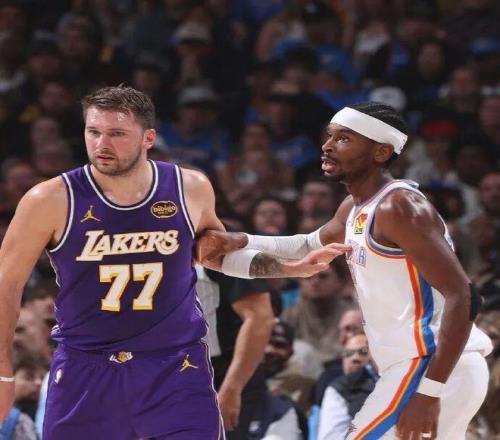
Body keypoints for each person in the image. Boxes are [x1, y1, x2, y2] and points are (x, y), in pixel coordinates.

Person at [0, 85, 345, 439]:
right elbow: (6, 285)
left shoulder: (189, 187)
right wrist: (3, 373)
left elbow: (215, 255)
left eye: (117, 133)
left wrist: (289, 267)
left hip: (175, 366)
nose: (102, 144)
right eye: (94, 132)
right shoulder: (49, 199)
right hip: (87, 365)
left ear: (148, 137)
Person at [198, 102, 494, 439]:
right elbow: (307, 244)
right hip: (422, 367)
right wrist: (240, 240)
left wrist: (430, 392)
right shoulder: (356, 207)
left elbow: (464, 295)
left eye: (344, 139)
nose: (327, 145)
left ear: (381, 152)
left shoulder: (399, 207)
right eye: (329, 136)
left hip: (431, 365)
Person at [195, 265, 275, 438]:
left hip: (225, 374)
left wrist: (232, 388)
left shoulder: (219, 249)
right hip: (175, 373)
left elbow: (260, 318)